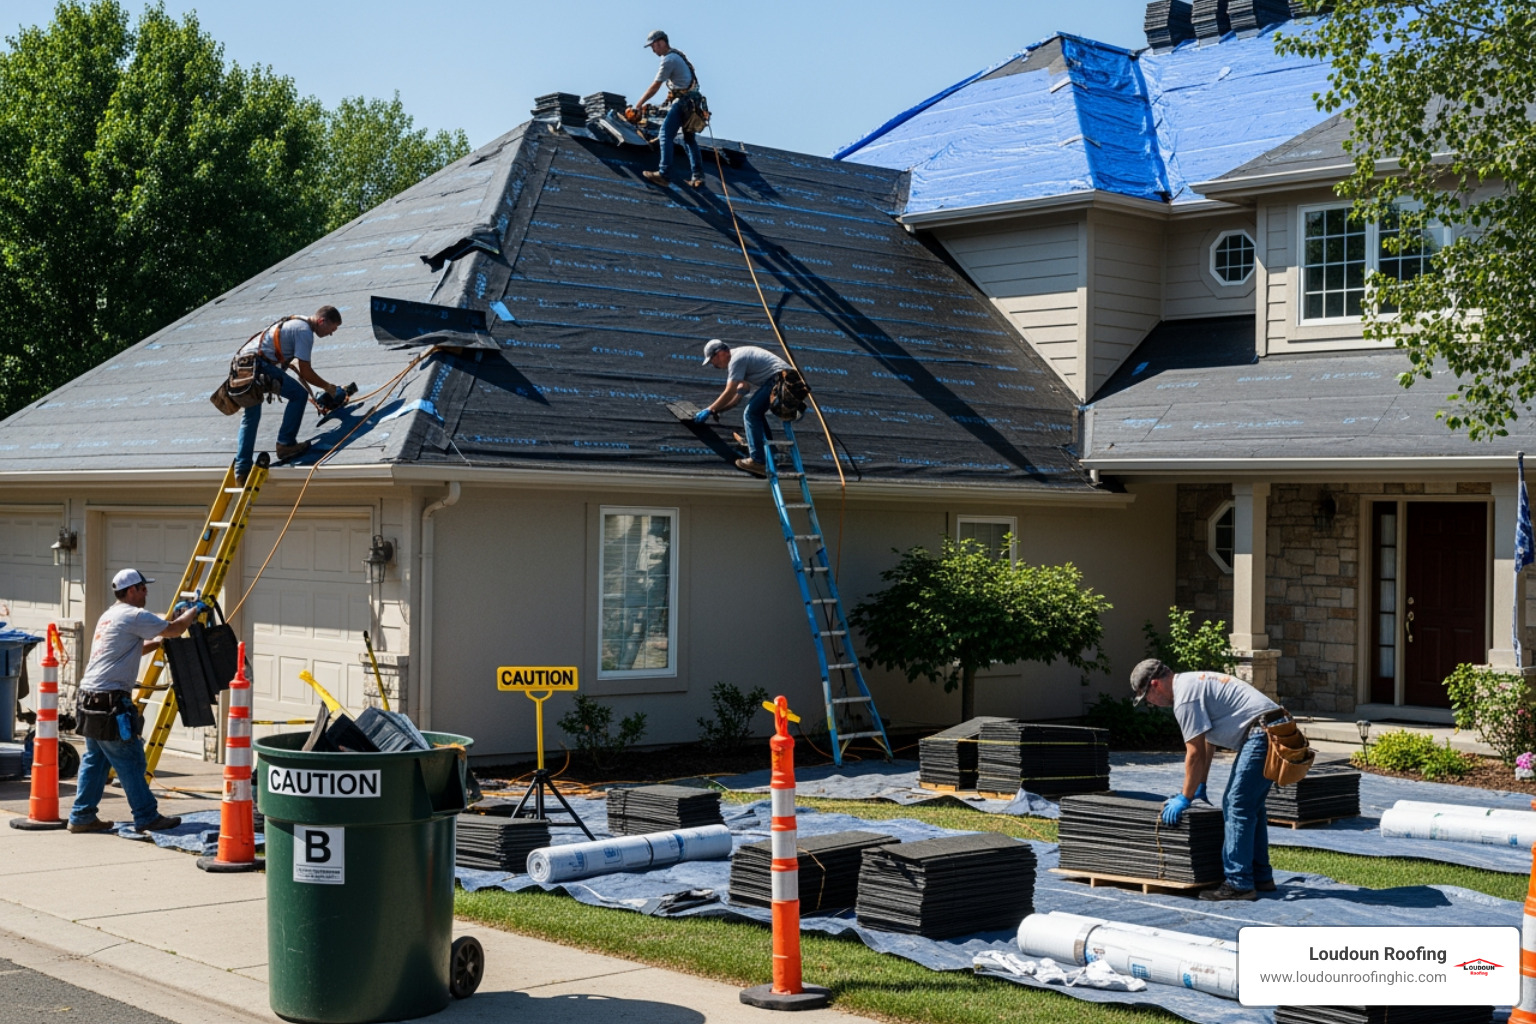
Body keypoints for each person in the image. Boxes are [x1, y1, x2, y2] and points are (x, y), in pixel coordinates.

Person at [1128, 658, 1284, 902]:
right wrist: (1200, 784)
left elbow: (1194, 753)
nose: (1151, 703)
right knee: (1251, 806)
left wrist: (1185, 797)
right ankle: (1261, 877)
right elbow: (1208, 743)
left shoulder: (1185, 698)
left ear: (1155, 684)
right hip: (1273, 728)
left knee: (1236, 804)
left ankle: (1239, 882)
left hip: (1262, 734)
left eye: (1146, 697)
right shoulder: (1192, 683)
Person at [68, 569, 203, 834]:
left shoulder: (110, 615)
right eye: (143, 588)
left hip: (89, 698)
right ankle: (147, 816)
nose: (146, 592)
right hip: (108, 702)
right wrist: (193, 612)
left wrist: (160, 638)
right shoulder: (133, 615)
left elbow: (133, 648)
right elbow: (175, 629)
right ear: (131, 591)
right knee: (131, 761)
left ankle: (82, 817)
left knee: (96, 760)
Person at [232, 305, 347, 483]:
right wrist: (329, 388)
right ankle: (286, 444)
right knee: (298, 395)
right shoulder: (305, 331)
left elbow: (297, 371)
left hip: (242, 364)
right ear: (322, 321)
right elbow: (306, 372)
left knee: (251, 416)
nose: (331, 334)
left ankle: (242, 469)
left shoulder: (297, 320)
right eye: (331, 329)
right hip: (258, 364)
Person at [695, 339, 792, 478]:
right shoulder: (740, 361)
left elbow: (729, 391)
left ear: (721, 353)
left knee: (751, 414)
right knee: (755, 413)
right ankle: (770, 452)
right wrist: (719, 410)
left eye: (713, 360)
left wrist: (709, 409)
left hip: (781, 380)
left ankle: (758, 461)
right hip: (785, 381)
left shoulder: (736, 358)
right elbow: (738, 395)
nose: (713, 365)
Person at [635, 30, 704, 188]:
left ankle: (664, 174)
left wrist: (639, 105)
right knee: (689, 139)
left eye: (653, 46)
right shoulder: (678, 55)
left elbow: (655, 86)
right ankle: (698, 177)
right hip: (692, 102)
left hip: (683, 103)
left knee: (665, 134)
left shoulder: (668, 60)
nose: (653, 50)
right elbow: (682, 83)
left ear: (660, 43)